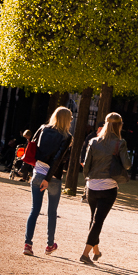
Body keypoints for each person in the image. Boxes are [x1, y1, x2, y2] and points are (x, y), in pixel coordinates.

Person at [80, 111, 131, 265]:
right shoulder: (120, 143)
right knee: (98, 221)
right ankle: (85, 254)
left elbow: (86, 166)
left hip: (92, 186)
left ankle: (95, 251)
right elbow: (127, 165)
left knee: (94, 219)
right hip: (108, 187)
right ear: (119, 126)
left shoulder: (94, 141)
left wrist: (90, 180)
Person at [23, 107, 73, 257]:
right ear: (67, 119)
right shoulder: (67, 136)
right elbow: (58, 159)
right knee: (52, 212)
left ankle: (28, 244)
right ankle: (50, 244)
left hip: (38, 172)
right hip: (54, 177)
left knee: (35, 209)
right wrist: (48, 178)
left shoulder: (43, 128)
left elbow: (32, 147)